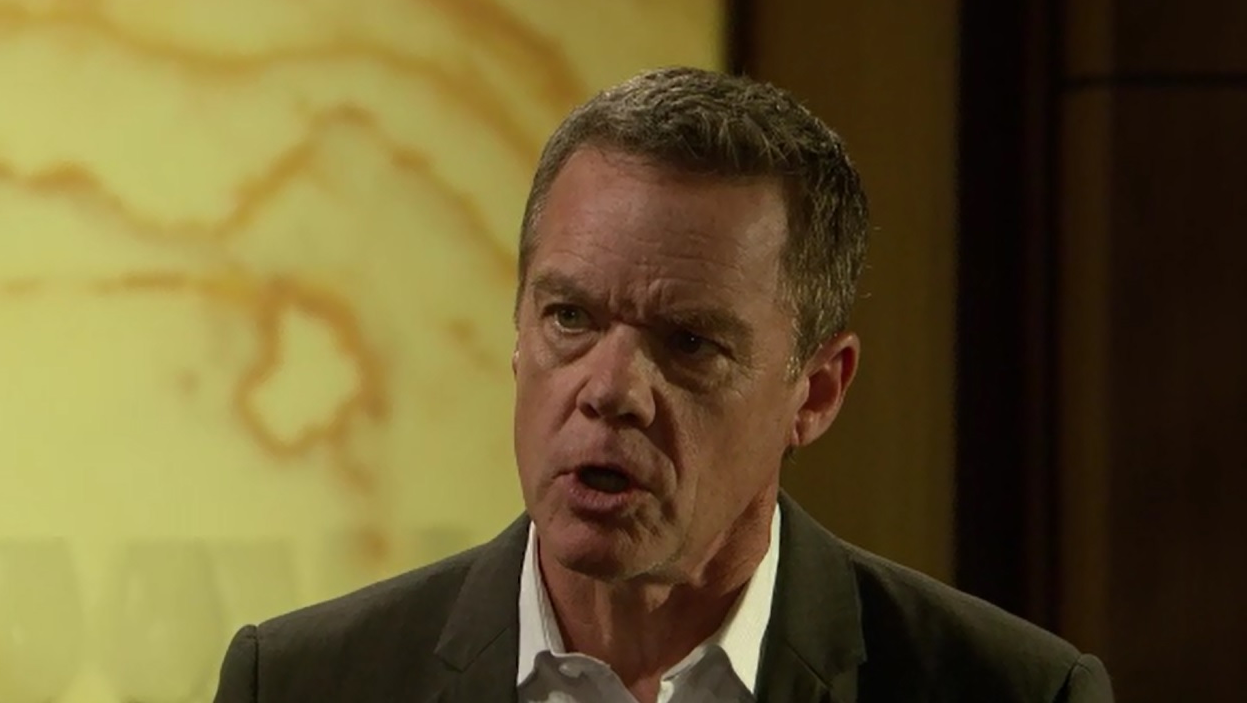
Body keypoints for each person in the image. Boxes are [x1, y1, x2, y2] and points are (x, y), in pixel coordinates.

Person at [211, 67, 1114, 703]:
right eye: (570, 318)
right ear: (517, 333)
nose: (611, 391)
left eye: (688, 343)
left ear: (816, 393)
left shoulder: (1014, 691)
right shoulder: (301, 683)